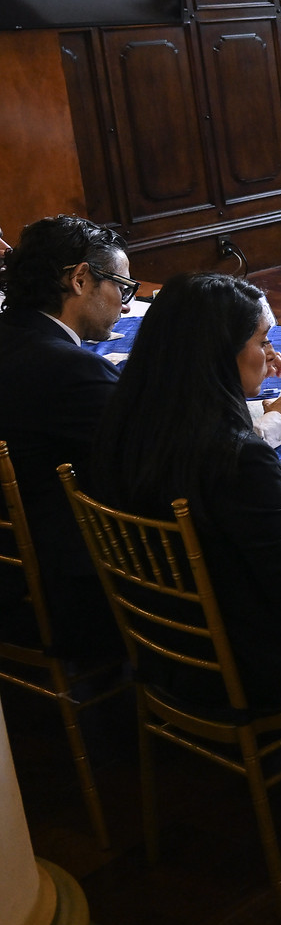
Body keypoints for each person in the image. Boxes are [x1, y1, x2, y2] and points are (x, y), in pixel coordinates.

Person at [89, 273, 281, 710]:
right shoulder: (238, 459)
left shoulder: (124, 428)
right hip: (262, 666)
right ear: (219, 353)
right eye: (264, 341)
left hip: (168, 649)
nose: (273, 357)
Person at [0, 216, 135, 656]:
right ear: (80, 279)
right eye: (121, 286)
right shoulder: (71, 370)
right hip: (68, 587)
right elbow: (154, 453)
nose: (127, 305)